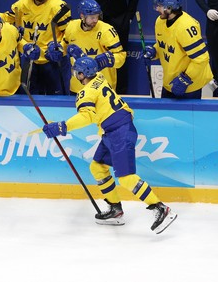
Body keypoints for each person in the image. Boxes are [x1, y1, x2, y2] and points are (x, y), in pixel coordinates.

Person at [41, 56, 177, 234]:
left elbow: (87, 116)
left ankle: (160, 208)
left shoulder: (86, 92)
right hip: (113, 132)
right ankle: (115, 209)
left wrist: (62, 127)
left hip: (119, 132)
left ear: (82, 74)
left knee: (127, 178)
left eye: (77, 72)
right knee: (97, 167)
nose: (75, 74)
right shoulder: (100, 78)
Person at [82, 0, 138, 95]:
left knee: (120, 58)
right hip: (97, 22)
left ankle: (121, 92)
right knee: (95, 56)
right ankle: (94, 90)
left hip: (120, 23)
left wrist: (128, 19)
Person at [2, 0, 71, 95]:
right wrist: (24, 46)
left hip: (52, 60)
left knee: (56, 98)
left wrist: (59, 48)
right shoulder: (21, 4)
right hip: (30, 59)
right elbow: (7, 24)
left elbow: (69, 33)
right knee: (30, 98)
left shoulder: (58, 6)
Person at [143, 0, 213, 99]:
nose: (157, 9)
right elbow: (165, 44)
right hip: (169, 82)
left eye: (160, 5)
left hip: (189, 85)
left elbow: (202, 58)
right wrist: (154, 51)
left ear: (170, 8)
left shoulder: (186, 27)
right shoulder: (159, 21)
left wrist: (185, 79)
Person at [62, 0, 125, 94]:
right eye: (92, 17)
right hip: (77, 87)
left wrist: (108, 59)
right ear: (82, 16)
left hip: (102, 88)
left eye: (97, 16)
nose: (95, 20)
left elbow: (121, 57)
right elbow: (65, 47)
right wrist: (57, 50)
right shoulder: (71, 27)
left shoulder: (106, 30)